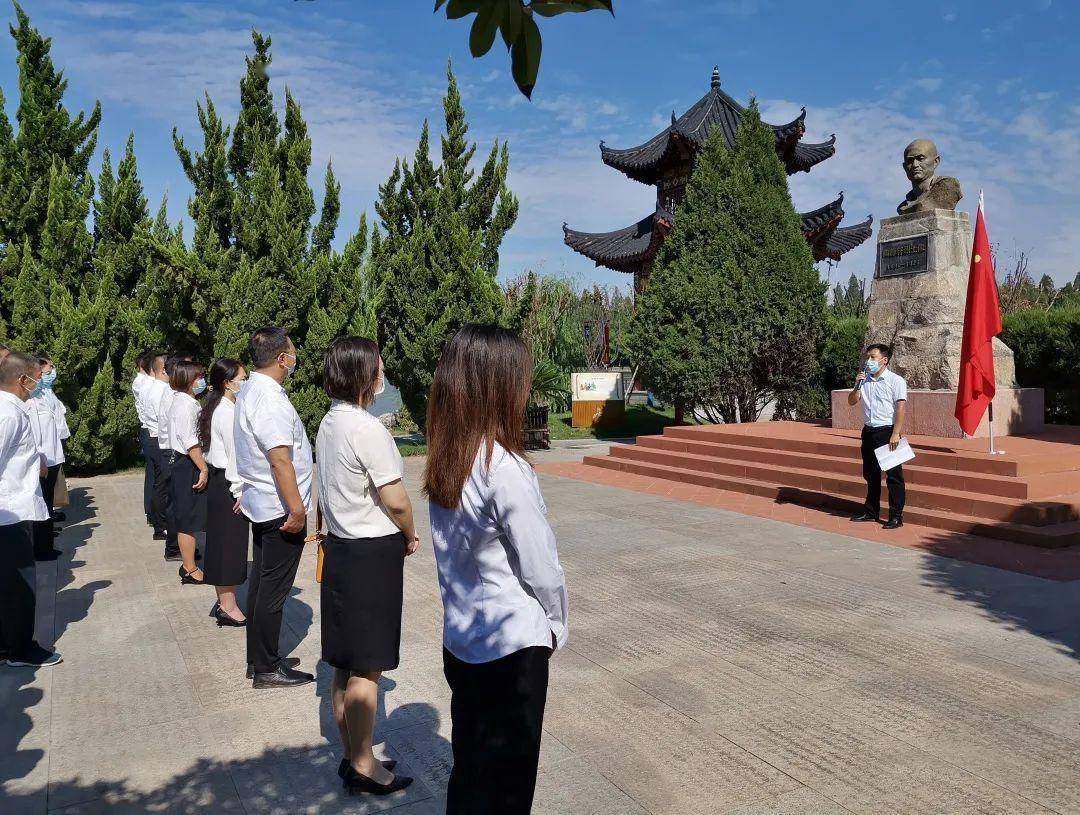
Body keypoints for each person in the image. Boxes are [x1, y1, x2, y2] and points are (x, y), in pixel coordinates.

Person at [425, 325, 568, 815]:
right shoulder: (502, 467)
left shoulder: (447, 459)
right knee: (508, 785)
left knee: (470, 772)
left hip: (464, 642)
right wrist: (554, 626)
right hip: (510, 649)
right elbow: (541, 568)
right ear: (497, 386)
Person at [316, 337, 419, 795]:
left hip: (340, 548)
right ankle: (363, 763)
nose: (383, 373)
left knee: (345, 662)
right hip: (369, 553)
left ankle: (352, 752)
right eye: (378, 366)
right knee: (368, 667)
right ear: (363, 373)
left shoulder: (329, 422)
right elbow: (394, 498)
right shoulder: (367, 428)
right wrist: (412, 532)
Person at [233, 327, 314, 689]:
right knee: (274, 590)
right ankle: (266, 667)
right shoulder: (269, 399)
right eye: (292, 352)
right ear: (282, 359)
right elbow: (280, 459)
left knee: (263, 585)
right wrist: (297, 511)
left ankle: (260, 657)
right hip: (279, 508)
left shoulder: (251, 389)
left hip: (263, 503)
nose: (294, 358)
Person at [0, 351, 61, 668]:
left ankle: (8, 642)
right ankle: (20, 649)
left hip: (12, 509)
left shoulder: (11, 409)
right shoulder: (8, 413)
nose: (40, 382)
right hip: (8, 512)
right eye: (36, 377)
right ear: (22, 380)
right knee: (19, 584)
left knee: (9, 583)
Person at [198, 358, 249, 626]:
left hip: (221, 482)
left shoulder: (219, 405)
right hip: (228, 483)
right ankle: (227, 605)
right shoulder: (226, 412)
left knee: (224, 544)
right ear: (227, 383)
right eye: (242, 378)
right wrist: (240, 490)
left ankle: (226, 602)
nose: (245, 383)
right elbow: (234, 456)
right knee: (228, 546)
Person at [848, 343, 908, 529]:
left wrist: (896, 433)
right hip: (869, 431)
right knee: (871, 474)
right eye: (867, 358)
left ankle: (896, 516)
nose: (869, 361)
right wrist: (857, 385)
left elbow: (900, 408)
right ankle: (871, 511)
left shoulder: (896, 381)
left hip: (887, 431)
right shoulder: (864, 380)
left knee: (893, 476)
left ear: (884, 360)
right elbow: (851, 401)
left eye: (873, 357)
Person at [166, 359, 208, 584]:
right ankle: (189, 568)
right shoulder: (184, 405)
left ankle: (189, 564)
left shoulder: (187, 402)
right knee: (187, 520)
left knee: (189, 517)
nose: (202, 381)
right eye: (199, 377)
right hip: (186, 463)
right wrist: (203, 468)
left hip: (186, 461)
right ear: (189, 381)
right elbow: (190, 441)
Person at [26, 357, 68, 560]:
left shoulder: (42, 396)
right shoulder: (31, 402)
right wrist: (40, 459)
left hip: (52, 457)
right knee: (42, 504)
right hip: (43, 460)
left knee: (49, 502)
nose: (42, 378)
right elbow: (34, 435)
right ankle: (42, 548)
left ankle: (46, 544)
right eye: (39, 375)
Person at [156, 353, 192, 560]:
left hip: (173, 450)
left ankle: (180, 545)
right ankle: (174, 547)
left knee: (177, 502)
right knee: (176, 503)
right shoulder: (174, 396)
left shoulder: (176, 394)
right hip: (173, 452)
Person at [141, 352, 171, 545]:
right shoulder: (160, 391)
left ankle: (157, 521)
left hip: (154, 438)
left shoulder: (154, 387)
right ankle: (161, 525)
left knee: (157, 483)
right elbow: (165, 420)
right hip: (159, 439)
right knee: (162, 484)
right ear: (164, 370)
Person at [133, 351, 156, 526]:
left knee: (153, 474)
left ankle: (152, 511)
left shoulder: (147, 383)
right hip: (150, 430)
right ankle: (151, 511)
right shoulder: (144, 383)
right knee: (154, 475)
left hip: (149, 430)